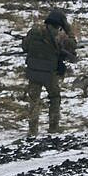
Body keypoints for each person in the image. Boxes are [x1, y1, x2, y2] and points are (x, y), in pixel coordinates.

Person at [20, 9, 77, 137]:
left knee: (34, 100)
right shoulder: (60, 36)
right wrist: (68, 30)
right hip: (49, 74)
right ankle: (53, 127)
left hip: (33, 72)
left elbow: (25, 46)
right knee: (55, 97)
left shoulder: (35, 30)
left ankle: (32, 130)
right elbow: (73, 45)